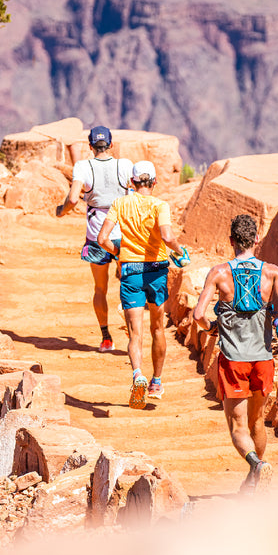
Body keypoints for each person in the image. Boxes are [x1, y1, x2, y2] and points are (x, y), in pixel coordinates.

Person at [191, 213, 278, 494]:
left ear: (231, 241)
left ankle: (256, 466)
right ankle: (257, 478)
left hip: (233, 360)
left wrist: (212, 327)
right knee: (256, 421)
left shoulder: (219, 273)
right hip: (262, 359)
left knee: (238, 426)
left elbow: (198, 314)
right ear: (257, 239)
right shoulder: (272, 272)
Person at [97, 161, 184, 408]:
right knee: (158, 328)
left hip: (130, 272)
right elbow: (167, 236)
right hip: (156, 271)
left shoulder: (120, 204)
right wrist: (180, 251)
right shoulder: (160, 206)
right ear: (154, 182)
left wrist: (120, 252)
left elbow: (102, 238)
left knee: (136, 333)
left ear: (132, 183)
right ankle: (156, 381)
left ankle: (138, 375)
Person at [55, 125, 135, 353]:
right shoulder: (125, 165)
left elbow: (72, 199)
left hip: (96, 237)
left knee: (100, 288)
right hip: (124, 235)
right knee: (128, 286)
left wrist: (61, 211)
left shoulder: (83, 166)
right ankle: (133, 334)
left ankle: (106, 337)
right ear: (111, 144)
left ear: (90, 146)